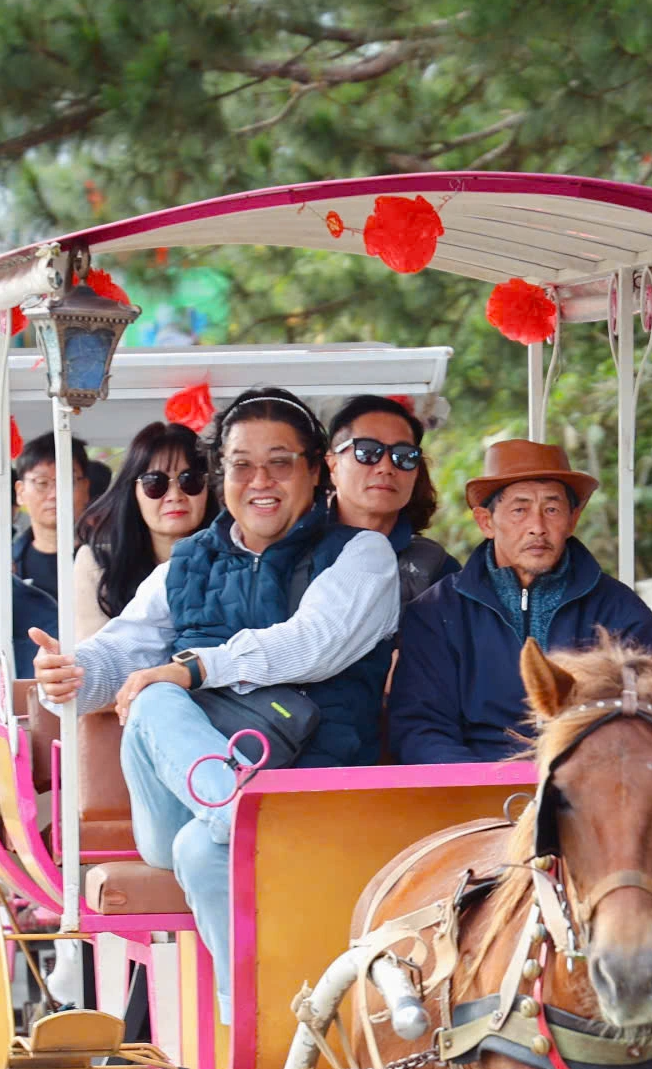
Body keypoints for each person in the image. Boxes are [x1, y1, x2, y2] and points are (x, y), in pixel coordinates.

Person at [28, 386, 398, 1015]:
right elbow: (122, 649)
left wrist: (195, 669)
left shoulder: (362, 555)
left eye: (281, 462)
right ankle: (238, 812)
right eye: (241, 463)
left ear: (316, 470)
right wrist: (70, 674)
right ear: (222, 473)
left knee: (202, 848)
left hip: (310, 794)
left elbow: (313, 646)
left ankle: (251, 1026)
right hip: (193, 801)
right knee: (149, 703)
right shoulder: (189, 561)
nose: (261, 480)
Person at [389, 438, 652, 764]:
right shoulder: (437, 612)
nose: (537, 527)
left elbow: (641, 726)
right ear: (486, 522)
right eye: (519, 510)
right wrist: (484, 789)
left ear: (572, 520)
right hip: (470, 799)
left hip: (585, 790)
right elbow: (421, 727)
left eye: (552, 509)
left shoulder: (621, 612)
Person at [0, 434, 89, 686]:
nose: (55, 494)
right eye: (42, 483)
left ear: (85, 488)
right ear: (20, 493)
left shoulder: (109, 562)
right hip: (27, 714)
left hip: (97, 705)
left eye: (67, 480)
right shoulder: (2, 569)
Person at [76, 421, 213, 643]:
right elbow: (92, 660)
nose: (174, 495)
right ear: (133, 492)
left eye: (189, 480)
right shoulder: (96, 564)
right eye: (155, 483)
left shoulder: (233, 560)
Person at [324, 395, 455, 605]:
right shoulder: (293, 552)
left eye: (403, 456)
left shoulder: (436, 569)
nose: (385, 467)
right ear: (332, 465)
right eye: (367, 451)